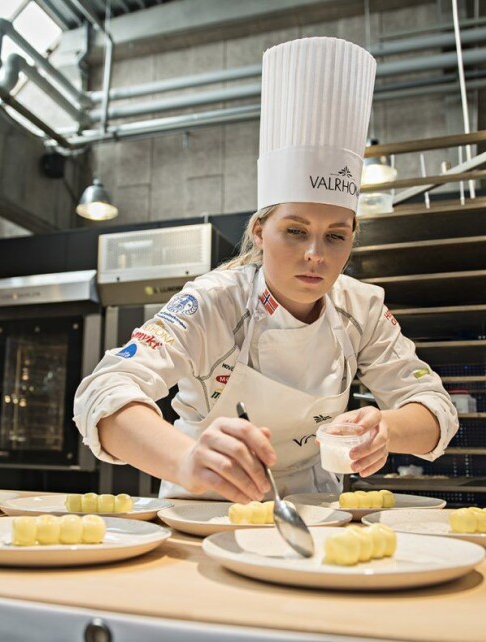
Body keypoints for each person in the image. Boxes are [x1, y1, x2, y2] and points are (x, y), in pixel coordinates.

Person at [74, 37, 458, 503]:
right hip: (206, 511)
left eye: (336, 235)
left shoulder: (363, 308)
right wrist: (185, 460)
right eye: (295, 231)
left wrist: (386, 429)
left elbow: (436, 407)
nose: (316, 254)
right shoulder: (212, 302)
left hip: (316, 511)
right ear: (260, 231)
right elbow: (104, 388)